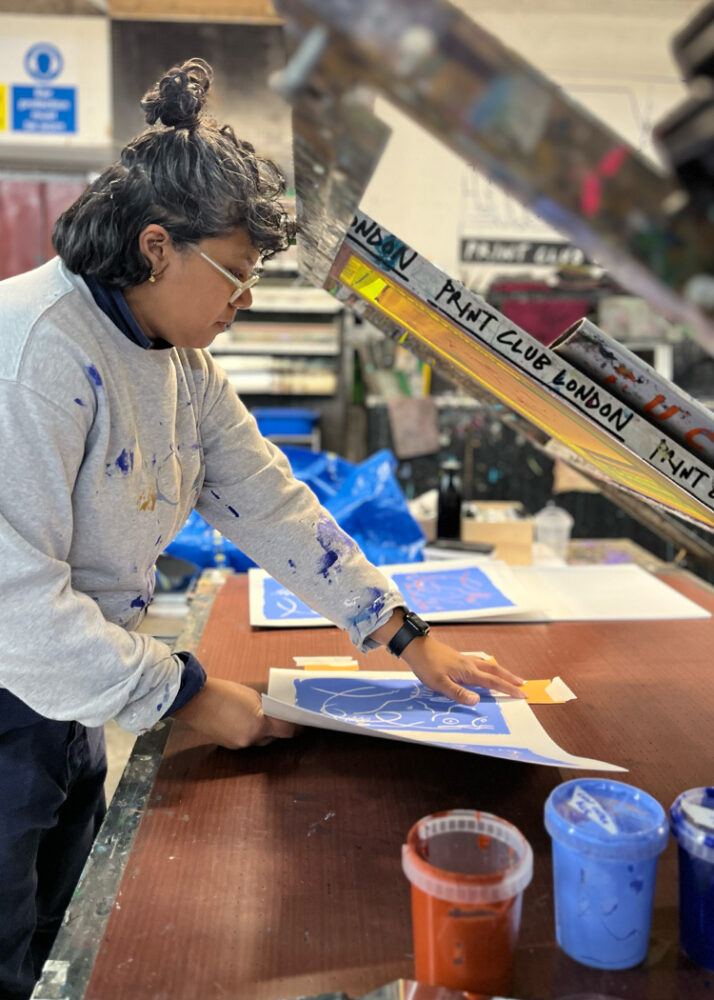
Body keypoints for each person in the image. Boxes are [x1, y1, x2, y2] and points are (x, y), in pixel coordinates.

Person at [0, 57, 525, 999]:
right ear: (156, 248)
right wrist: (189, 695)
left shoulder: (174, 357)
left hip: (75, 685)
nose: (245, 303)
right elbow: (14, 606)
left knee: (55, 929)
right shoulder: (36, 354)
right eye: (235, 277)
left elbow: (267, 496)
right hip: (9, 690)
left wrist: (400, 631)